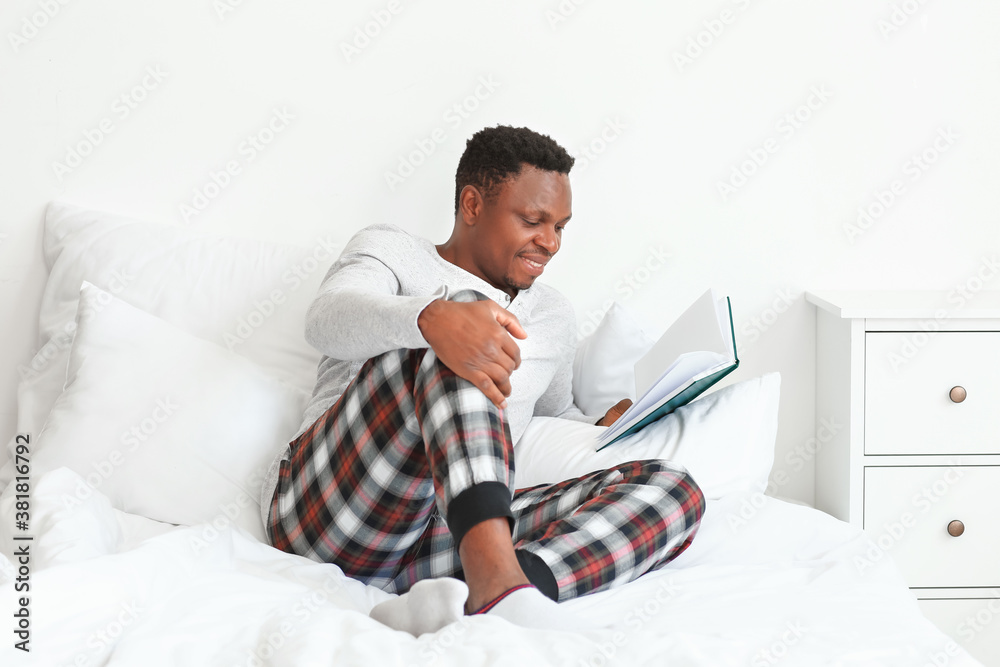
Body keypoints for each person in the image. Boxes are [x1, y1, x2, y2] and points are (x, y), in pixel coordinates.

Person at [261, 125, 705, 635]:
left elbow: (548, 412)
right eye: (533, 220)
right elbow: (326, 319)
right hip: (336, 509)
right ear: (472, 205)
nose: (550, 242)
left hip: (448, 540)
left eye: (560, 226)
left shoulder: (554, 315)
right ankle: (499, 589)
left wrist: (599, 424)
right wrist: (432, 318)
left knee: (674, 489)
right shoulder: (390, 249)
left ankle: (493, 595)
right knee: (473, 322)